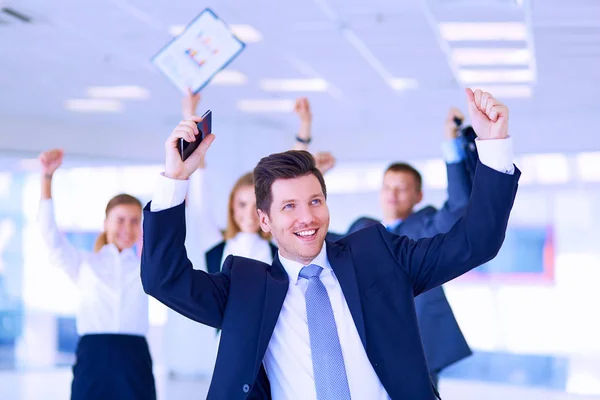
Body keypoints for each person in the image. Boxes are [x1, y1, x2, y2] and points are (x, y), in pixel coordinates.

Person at [141, 88, 520, 399]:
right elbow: (164, 279)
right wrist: (175, 179)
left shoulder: (380, 257)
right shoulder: (244, 287)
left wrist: (493, 148)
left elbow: (476, 242)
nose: (307, 217)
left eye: (315, 202)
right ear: (265, 220)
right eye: (289, 206)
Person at [335, 107, 475, 388]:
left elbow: (459, 205)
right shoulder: (362, 228)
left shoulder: (426, 227)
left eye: (401, 188)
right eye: (387, 186)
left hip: (417, 345)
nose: (392, 194)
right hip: (366, 343)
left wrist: (451, 143)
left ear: (418, 196)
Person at [37, 149, 155, 400]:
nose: (127, 227)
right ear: (106, 223)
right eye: (120, 219)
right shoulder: (85, 263)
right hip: (93, 354)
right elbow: (50, 239)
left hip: (134, 357)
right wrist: (47, 180)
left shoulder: (147, 268)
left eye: (135, 221)